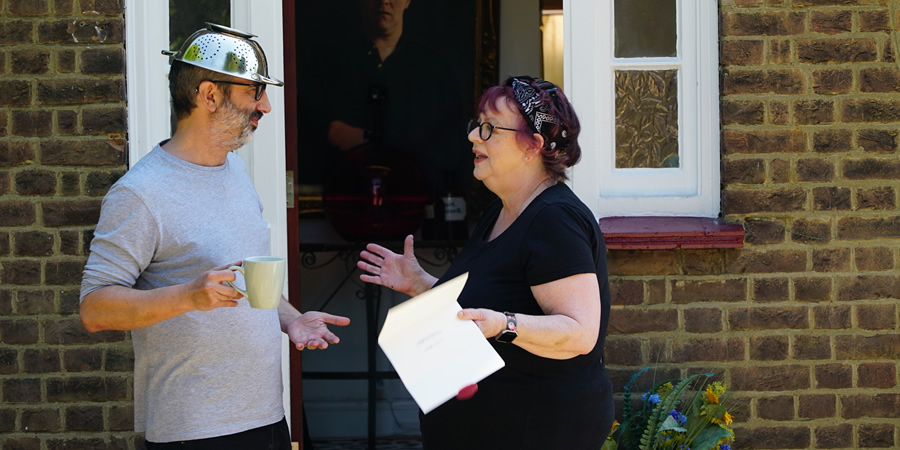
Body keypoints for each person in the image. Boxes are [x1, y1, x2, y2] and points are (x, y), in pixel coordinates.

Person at [79, 24, 350, 449]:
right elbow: (95, 309)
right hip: (195, 429)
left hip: (266, 415)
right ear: (209, 95)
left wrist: (290, 319)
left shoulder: (236, 172)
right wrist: (188, 296)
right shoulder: (140, 193)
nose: (266, 107)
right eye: (254, 92)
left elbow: (246, 280)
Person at [358, 76, 614, 449]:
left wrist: (503, 325)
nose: (474, 136)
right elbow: (481, 310)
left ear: (533, 146)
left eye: (490, 128)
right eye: (477, 125)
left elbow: (579, 333)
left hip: (537, 428)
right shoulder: (501, 211)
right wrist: (420, 284)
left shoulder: (555, 219)